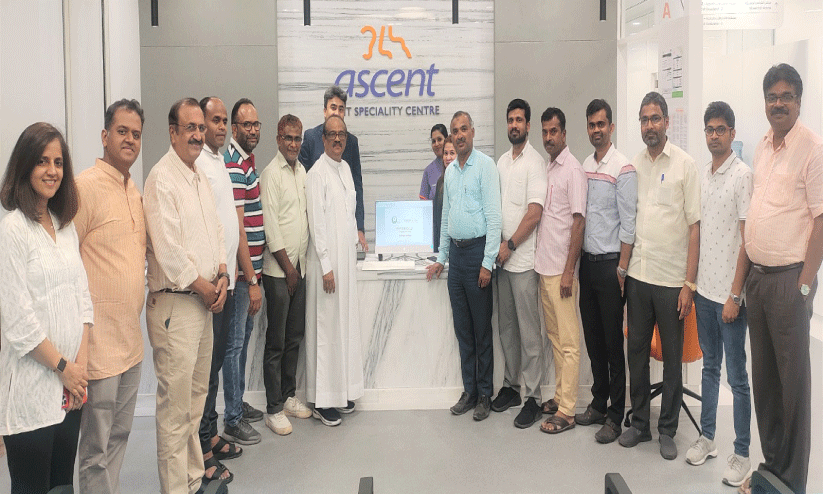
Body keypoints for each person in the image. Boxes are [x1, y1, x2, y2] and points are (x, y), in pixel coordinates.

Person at [740, 63, 823, 494]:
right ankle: (771, 469)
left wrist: (804, 286)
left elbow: (821, 221)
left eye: (786, 96)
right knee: (766, 383)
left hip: (790, 282)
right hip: (758, 280)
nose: (778, 103)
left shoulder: (812, 148)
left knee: (793, 388)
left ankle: (792, 482)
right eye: (772, 96)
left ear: (799, 101)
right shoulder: (761, 146)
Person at [0, 122, 92, 494]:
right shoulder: (13, 230)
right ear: (25, 166)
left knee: (62, 487)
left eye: (58, 162)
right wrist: (64, 368)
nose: (52, 170)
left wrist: (79, 371)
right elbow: (18, 321)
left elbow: (83, 300)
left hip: (69, 391)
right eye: (42, 161)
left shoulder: (64, 227)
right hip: (32, 390)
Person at [143, 97, 228, 494]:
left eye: (200, 127)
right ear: (173, 132)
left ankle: (193, 479)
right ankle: (175, 488)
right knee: (175, 411)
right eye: (190, 127)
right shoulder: (161, 179)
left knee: (195, 401)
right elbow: (169, 251)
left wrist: (222, 274)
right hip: (177, 304)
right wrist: (207, 287)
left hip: (203, 303)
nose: (197, 134)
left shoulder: (198, 177)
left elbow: (217, 231)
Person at [619, 91, 700, 461]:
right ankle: (640, 423)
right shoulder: (633, 166)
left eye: (655, 118)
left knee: (671, 358)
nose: (649, 125)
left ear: (667, 122)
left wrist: (689, 284)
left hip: (671, 283)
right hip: (639, 276)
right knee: (636, 352)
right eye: (644, 119)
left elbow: (694, 228)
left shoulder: (685, 165)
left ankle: (667, 429)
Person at [74, 99, 148, 494]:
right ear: (105, 136)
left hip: (130, 342)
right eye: (122, 131)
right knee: (96, 447)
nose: (130, 140)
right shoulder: (84, 187)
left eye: (136, 134)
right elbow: (66, 261)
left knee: (119, 437)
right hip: (99, 346)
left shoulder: (134, 190)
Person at [685, 101, 753, 487]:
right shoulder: (704, 174)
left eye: (720, 129)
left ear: (732, 133)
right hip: (705, 294)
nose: (714, 135)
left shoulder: (742, 176)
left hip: (730, 298)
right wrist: (694, 286)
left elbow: (746, 242)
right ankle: (707, 438)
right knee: (709, 368)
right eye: (709, 129)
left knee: (737, 377)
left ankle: (741, 453)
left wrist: (735, 295)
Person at [426, 111, 502, 422]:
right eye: (454, 131)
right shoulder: (451, 173)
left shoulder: (485, 166)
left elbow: (494, 219)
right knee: (463, 331)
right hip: (456, 261)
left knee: (482, 330)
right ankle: (469, 391)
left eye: (463, 129)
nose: (459, 135)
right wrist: (441, 258)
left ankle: (485, 394)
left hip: (477, 255)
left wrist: (487, 263)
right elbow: (445, 219)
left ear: (472, 131)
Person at [577, 99, 636, 444]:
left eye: (601, 124)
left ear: (611, 127)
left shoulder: (622, 167)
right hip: (587, 265)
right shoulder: (586, 165)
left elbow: (629, 224)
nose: (596, 130)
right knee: (593, 340)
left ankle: (615, 416)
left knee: (614, 345)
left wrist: (623, 270)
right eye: (591, 124)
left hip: (612, 267)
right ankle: (598, 404)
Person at [305, 115, 365, 426]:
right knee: (326, 331)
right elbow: (317, 225)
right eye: (332, 134)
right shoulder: (317, 174)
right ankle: (321, 401)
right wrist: (327, 266)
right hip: (325, 268)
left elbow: (350, 216)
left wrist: (354, 248)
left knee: (343, 329)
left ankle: (340, 393)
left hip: (346, 263)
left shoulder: (345, 170)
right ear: (324, 138)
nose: (338, 139)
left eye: (342, 134)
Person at [490, 99, 547, 429]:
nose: (514, 125)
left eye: (519, 120)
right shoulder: (501, 162)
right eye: (510, 119)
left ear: (527, 125)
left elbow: (534, 214)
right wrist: (498, 250)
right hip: (502, 262)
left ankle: (534, 398)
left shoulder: (535, 163)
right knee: (507, 330)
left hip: (522, 261)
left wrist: (509, 245)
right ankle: (511, 387)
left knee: (529, 334)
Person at [195, 96, 241, 483]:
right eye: (215, 120)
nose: (221, 126)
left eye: (224, 120)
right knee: (206, 373)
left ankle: (210, 434)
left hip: (228, 282)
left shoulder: (219, 161)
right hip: (211, 287)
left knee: (216, 369)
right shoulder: (198, 164)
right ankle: (201, 450)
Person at [533, 107, 587, 435]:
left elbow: (578, 222)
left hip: (562, 273)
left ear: (564, 134)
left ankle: (567, 410)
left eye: (554, 131)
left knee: (568, 342)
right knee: (554, 338)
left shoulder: (573, 170)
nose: (549, 137)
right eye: (545, 132)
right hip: (545, 268)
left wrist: (569, 271)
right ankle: (559, 396)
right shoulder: (548, 167)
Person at [259, 114, 313, 436]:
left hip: (299, 269)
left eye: (297, 138)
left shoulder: (302, 172)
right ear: (278, 139)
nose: (293, 144)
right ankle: (273, 408)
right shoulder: (271, 174)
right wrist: (289, 270)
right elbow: (271, 227)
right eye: (288, 138)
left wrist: (299, 269)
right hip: (279, 273)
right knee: (276, 342)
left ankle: (289, 395)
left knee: (294, 337)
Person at [222, 98, 265, 446]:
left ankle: (237, 402)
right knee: (234, 347)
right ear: (234, 129)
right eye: (245, 125)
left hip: (251, 274)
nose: (252, 130)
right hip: (241, 277)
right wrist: (250, 280)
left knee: (243, 341)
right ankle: (232, 419)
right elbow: (237, 230)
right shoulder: (234, 166)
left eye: (255, 124)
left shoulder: (246, 162)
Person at [299, 85, 368, 252]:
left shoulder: (351, 142)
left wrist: (359, 228)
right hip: (318, 221)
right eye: (333, 107)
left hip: (343, 224)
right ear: (325, 111)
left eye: (341, 109)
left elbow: (357, 187)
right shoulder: (311, 137)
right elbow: (301, 181)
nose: (337, 112)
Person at [433, 137, 457, 252]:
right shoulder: (440, 182)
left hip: (458, 247)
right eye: (445, 153)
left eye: (452, 153)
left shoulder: (464, 181)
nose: (448, 158)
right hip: (442, 247)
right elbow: (437, 220)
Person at [420, 123, 449, 200]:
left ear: (446, 140)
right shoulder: (428, 171)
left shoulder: (458, 165)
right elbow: (423, 201)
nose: (436, 144)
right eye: (433, 141)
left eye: (439, 139)